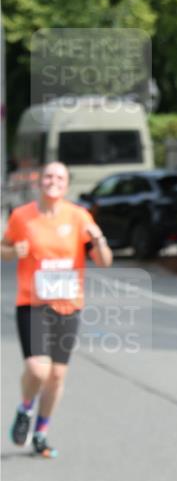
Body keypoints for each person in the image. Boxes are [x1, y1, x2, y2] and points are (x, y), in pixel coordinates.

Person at [1, 161, 113, 457]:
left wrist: (98, 236)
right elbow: (3, 247)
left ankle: (41, 432)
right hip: (33, 303)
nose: (53, 181)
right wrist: (14, 251)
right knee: (38, 370)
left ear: (66, 184)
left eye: (59, 177)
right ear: (40, 181)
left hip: (68, 305)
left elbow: (104, 261)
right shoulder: (21, 216)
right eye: (48, 176)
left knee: (57, 376)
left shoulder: (78, 216)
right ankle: (25, 408)